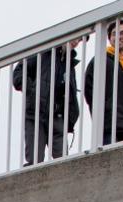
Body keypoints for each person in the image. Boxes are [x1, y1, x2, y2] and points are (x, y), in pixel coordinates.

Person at [11, 39, 81, 167]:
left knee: (63, 162)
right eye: (75, 38)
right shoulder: (43, 52)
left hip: (58, 117)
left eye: (80, 39)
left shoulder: (69, 63)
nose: (76, 42)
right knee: (35, 161)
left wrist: (71, 115)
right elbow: (18, 75)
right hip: (36, 115)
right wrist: (33, 92)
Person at [83, 20, 123, 146]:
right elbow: (89, 90)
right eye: (114, 34)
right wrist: (104, 112)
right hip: (109, 127)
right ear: (109, 38)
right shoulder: (100, 60)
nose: (119, 37)